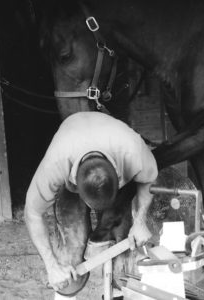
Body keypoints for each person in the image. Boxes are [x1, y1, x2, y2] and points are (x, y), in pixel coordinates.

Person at [24, 111, 158, 297]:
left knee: (123, 257)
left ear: (118, 176)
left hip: (116, 170)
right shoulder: (56, 164)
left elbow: (147, 181)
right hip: (71, 171)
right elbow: (32, 213)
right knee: (69, 267)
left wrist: (140, 220)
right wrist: (52, 266)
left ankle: (117, 292)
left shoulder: (133, 150)